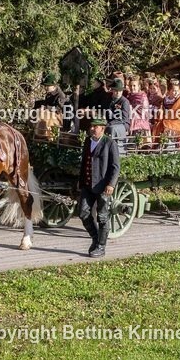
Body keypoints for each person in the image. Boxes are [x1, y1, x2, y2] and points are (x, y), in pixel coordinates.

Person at [78, 116, 120, 258]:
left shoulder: (109, 143)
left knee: (102, 217)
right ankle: (96, 239)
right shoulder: (88, 141)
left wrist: (111, 184)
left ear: (102, 128)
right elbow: (84, 162)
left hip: (102, 186)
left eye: (95, 127)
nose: (91, 129)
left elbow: (115, 167)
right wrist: (81, 181)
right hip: (87, 184)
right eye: (91, 126)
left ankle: (101, 247)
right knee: (83, 213)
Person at [33, 72, 67, 139]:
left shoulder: (61, 95)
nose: (46, 87)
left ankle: (49, 136)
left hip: (58, 117)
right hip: (48, 114)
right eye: (45, 86)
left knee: (46, 115)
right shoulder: (49, 93)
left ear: (54, 86)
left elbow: (58, 109)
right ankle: (35, 132)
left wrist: (46, 108)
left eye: (48, 86)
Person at [106, 78, 133, 153]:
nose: (118, 93)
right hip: (109, 122)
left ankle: (117, 151)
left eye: (120, 91)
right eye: (116, 90)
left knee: (111, 129)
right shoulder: (109, 99)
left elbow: (124, 119)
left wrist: (109, 123)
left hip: (122, 124)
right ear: (112, 90)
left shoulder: (124, 101)